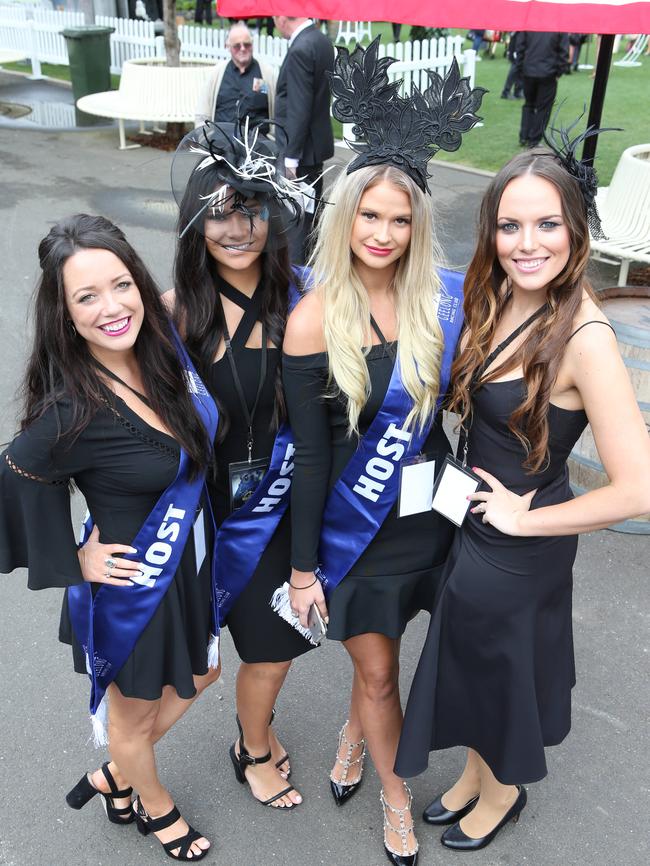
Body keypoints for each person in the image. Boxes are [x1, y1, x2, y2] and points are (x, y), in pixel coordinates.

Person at [395, 133, 650, 852]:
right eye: (510, 225)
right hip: (473, 522)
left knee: (497, 667)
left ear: (577, 230)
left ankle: (502, 791)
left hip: (522, 538)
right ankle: (477, 777)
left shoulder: (588, 336)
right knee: (476, 658)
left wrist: (520, 517)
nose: (526, 243)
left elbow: (639, 490)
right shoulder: (500, 294)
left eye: (546, 225)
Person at [280, 41, 484, 866]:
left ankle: (357, 735)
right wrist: (302, 569)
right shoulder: (311, 316)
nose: (385, 233)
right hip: (356, 529)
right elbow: (313, 457)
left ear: (418, 223)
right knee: (376, 674)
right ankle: (396, 798)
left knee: (432, 656)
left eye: (401, 219)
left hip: (429, 513)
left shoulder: (441, 298)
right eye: (370, 215)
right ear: (346, 214)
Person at [0, 214, 220, 861]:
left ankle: (115, 779)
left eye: (120, 285)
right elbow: (14, 472)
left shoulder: (159, 357)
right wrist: (72, 557)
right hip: (133, 591)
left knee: (203, 674)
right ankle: (158, 810)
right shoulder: (70, 407)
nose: (111, 306)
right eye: (86, 297)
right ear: (65, 315)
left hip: (182, 570)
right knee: (132, 718)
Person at [165, 120, 313, 810]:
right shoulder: (170, 317)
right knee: (188, 666)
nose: (237, 227)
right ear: (196, 221)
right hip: (198, 514)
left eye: (250, 209)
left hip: (276, 507)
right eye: (220, 211)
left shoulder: (301, 301)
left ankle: (252, 744)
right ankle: (122, 767)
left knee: (274, 647)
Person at [272, 15, 335, 263]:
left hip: (300, 152)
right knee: (310, 221)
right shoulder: (320, 40)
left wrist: (290, 158)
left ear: (281, 17)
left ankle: (295, 281)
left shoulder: (300, 48)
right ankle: (308, 273)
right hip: (314, 148)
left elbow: (299, 106)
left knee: (295, 224)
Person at [195, 21, 277, 129]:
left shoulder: (267, 74)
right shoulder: (216, 74)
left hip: (258, 143)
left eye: (247, 44)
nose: (242, 49)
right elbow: (202, 113)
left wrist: (272, 140)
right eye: (237, 46)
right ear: (228, 47)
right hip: (221, 143)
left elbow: (279, 113)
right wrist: (206, 138)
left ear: (252, 45)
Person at [516, 31, 570, 147]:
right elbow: (564, 51)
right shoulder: (558, 26)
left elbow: (520, 46)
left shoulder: (531, 24)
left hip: (533, 70)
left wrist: (521, 67)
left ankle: (525, 136)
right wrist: (559, 71)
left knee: (530, 104)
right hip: (545, 72)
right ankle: (533, 139)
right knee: (543, 107)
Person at [501, 32, 523, 99]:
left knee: (521, 69)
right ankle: (506, 92)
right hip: (516, 47)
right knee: (514, 70)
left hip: (521, 45)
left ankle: (518, 91)